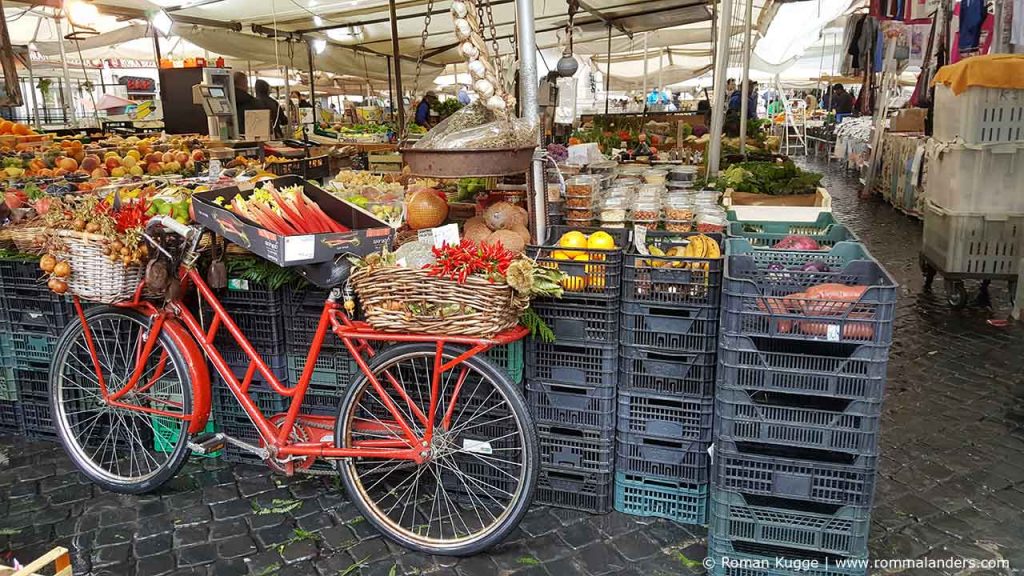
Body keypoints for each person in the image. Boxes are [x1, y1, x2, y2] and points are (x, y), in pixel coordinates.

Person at [232, 71, 257, 137]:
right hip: (250, 137)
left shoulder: (228, 99)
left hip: (231, 136)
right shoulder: (253, 102)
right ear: (244, 83)